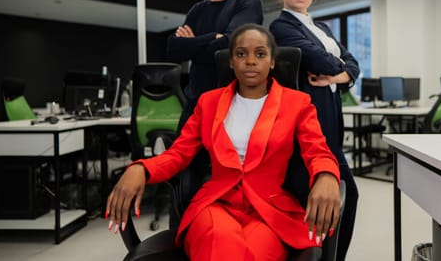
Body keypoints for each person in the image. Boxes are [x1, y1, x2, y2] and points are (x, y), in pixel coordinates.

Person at [106, 24, 341, 261]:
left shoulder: (297, 103)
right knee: (218, 240)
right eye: (241, 54)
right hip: (216, 204)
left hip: (269, 211)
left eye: (260, 54)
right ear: (230, 61)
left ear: (272, 62)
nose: (250, 61)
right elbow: (179, 153)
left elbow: (317, 151)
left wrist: (327, 175)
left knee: (252, 252)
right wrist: (141, 168)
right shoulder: (208, 103)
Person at [270, 0, 360, 261]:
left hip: (333, 123)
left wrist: (337, 75)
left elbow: (353, 65)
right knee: (326, 200)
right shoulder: (280, 26)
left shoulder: (320, 26)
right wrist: (340, 69)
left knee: (342, 200)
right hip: (311, 127)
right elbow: (321, 60)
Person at [166, 0, 264, 131]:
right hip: (194, 109)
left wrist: (193, 45)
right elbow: (173, 50)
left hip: (231, 111)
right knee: (183, 163)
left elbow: (230, 48)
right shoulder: (197, 10)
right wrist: (214, 38)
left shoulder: (248, 0)